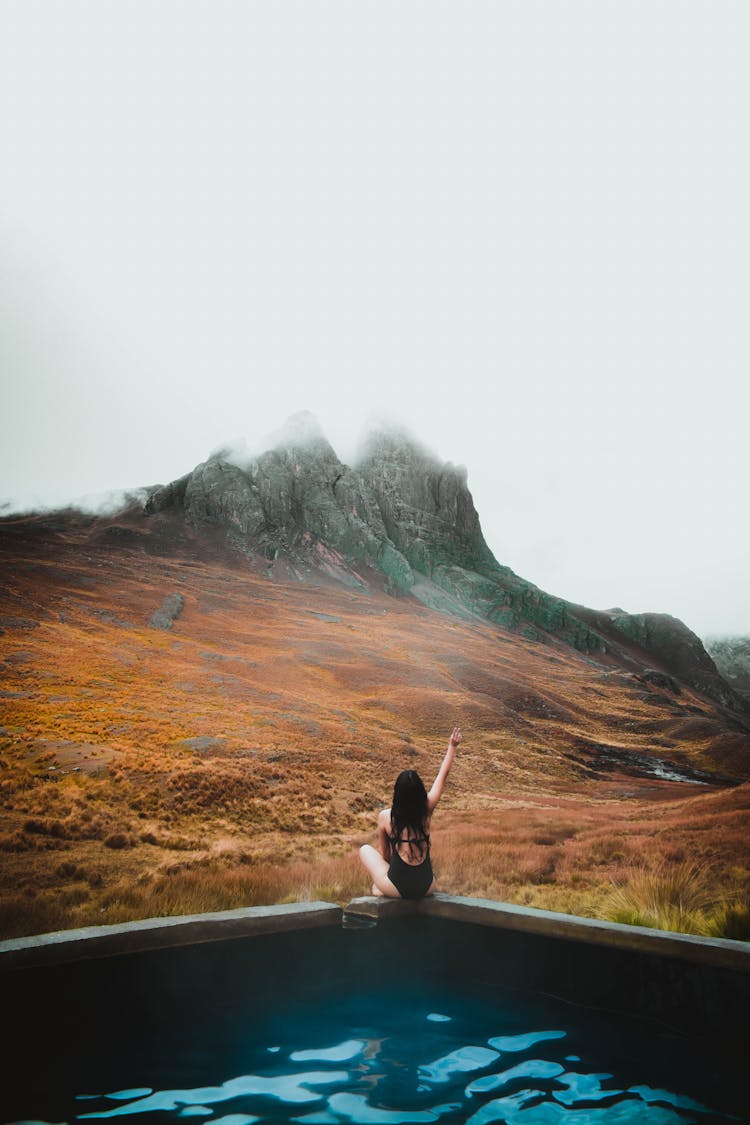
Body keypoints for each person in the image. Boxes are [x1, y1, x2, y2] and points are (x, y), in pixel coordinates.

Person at [358, 727, 462, 899]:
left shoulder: (386, 817)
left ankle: (382, 889)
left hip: (401, 889)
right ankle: (383, 888)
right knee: (380, 885)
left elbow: (385, 857)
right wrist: (452, 746)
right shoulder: (427, 809)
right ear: (420, 792)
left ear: (397, 794)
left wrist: (387, 881)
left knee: (364, 850)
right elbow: (442, 776)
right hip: (428, 886)